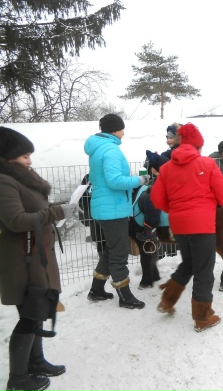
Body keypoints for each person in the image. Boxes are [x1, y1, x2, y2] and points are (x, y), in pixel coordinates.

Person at [0, 127, 76, 391]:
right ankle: (18, 379)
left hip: (34, 254)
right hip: (20, 259)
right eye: (25, 156)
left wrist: (55, 208)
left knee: (37, 310)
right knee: (30, 316)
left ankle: (36, 362)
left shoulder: (19, 178)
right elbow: (16, 221)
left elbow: (33, 209)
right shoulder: (0, 182)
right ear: (9, 157)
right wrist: (56, 212)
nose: (30, 161)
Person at [151, 122, 223, 332]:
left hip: (179, 225)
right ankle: (202, 318)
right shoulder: (207, 164)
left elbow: (157, 199)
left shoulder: (166, 168)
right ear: (198, 146)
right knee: (204, 270)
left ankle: (167, 300)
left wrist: (176, 209)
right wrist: (210, 203)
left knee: (189, 263)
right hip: (202, 225)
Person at [84, 114, 151, 309]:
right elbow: (115, 181)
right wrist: (140, 180)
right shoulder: (110, 150)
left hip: (106, 207)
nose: (123, 133)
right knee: (119, 253)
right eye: (122, 129)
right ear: (115, 129)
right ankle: (125, 296)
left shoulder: (98, 148)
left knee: (112, 249)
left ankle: (96, 290)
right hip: (112, 209)